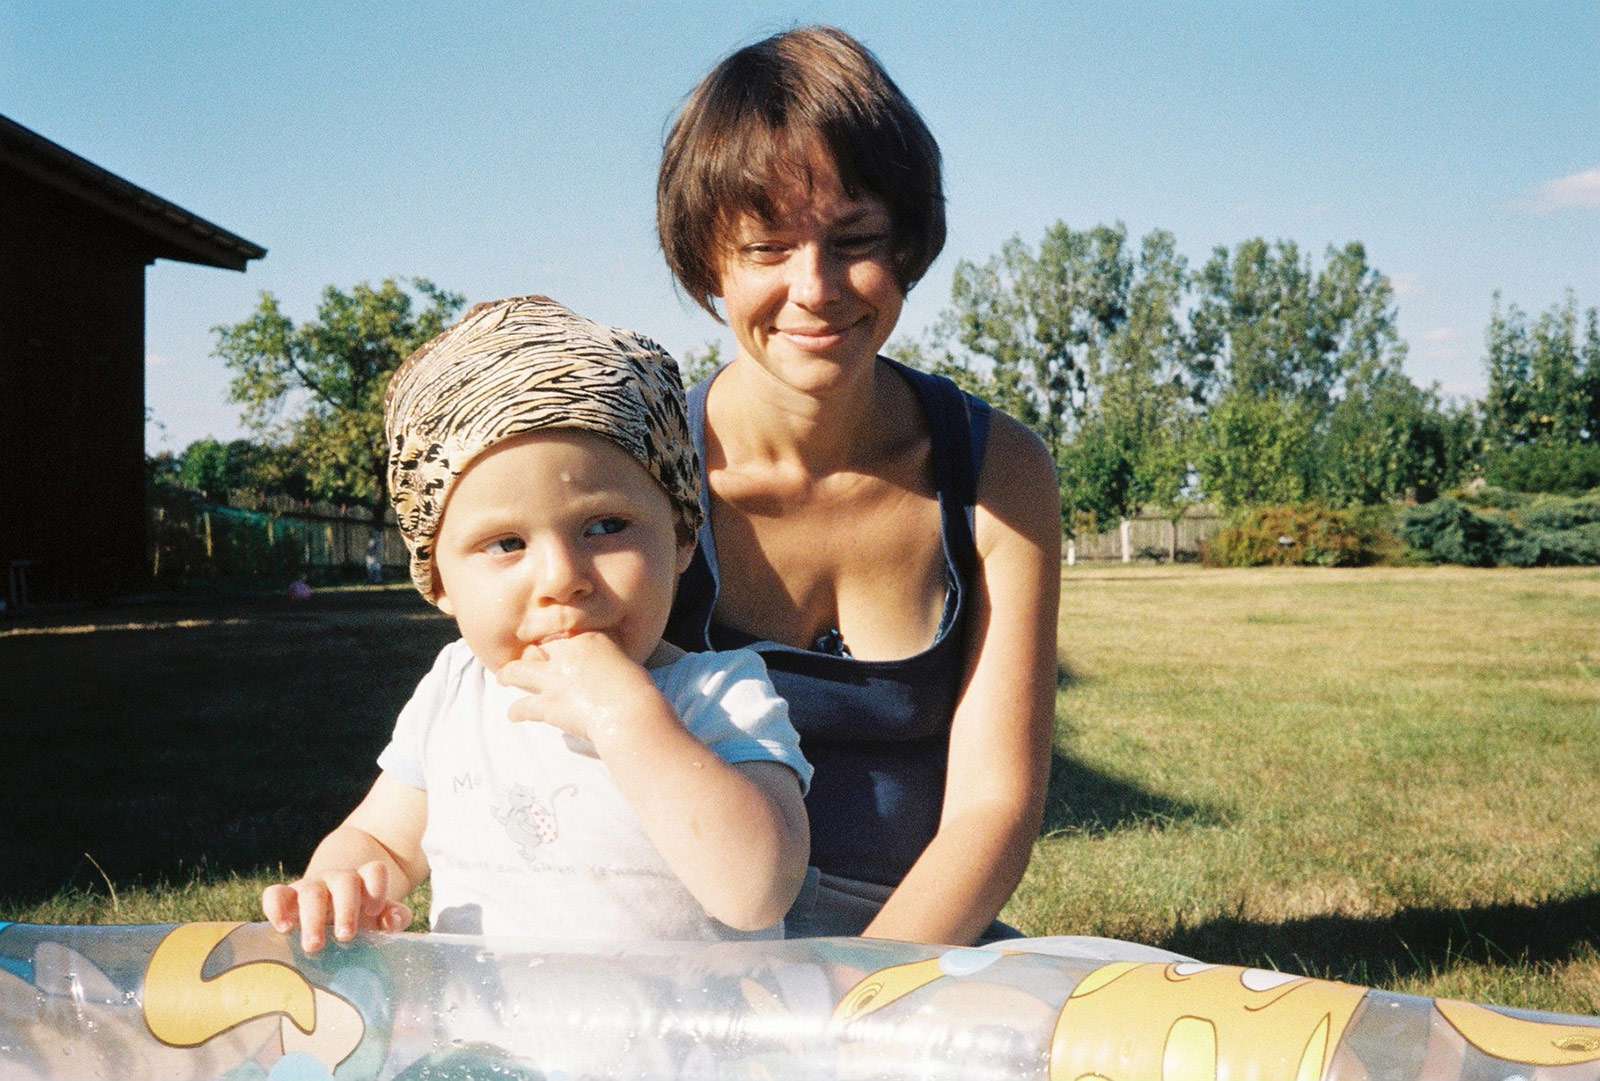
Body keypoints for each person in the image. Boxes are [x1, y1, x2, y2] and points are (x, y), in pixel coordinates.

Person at [658, 25, 1062, 947]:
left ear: (909, 240)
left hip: (923, 961)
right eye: (767, 247)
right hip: (686, 966)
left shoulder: (998, 471)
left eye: (855, 239)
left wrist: (858, 997)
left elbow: (994, 807)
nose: (816, 287)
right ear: (706, 260)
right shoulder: (645, 470)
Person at [262, 295, 811, 952]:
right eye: (505, 544)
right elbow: (381, 838)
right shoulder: (455, 694)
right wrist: (340, 882)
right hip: (490, 1048)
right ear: (437, 580)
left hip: (681, 1054)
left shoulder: (719, 698)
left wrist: (628, 714)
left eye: (605, 526)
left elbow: (756, 891)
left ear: (682, 536)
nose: (561, 577)